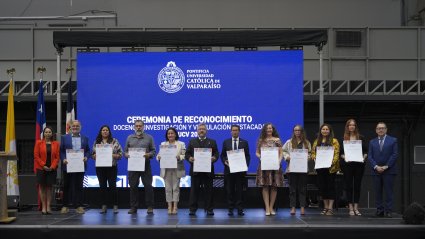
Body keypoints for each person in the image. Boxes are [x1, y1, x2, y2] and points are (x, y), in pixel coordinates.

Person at [185, 123, 219, 216]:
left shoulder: (212, 141)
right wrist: (189, 158)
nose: (201, 130)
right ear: (197, 131)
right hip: (196, 171)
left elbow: (216, 153)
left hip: (208, 171)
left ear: (206, 131)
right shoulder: (192, 141)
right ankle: (192, 209)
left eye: (203, 129)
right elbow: (187, 154)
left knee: (209, 191)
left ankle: (209, 209)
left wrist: (214, 158)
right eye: (200, 129)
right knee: (194, 191)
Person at [124, 120, 156, 214]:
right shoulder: (129, 138)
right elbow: (125, 151)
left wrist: (148, 154)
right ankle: (134, 207)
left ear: (143, 127)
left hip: (145, 165)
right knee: (133, 186)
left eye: (140, 126)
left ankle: (150, 206)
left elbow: (153, 151)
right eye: (137, 126)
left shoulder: (149, 138)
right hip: (133, 166)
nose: (138, 127)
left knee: (148, 186)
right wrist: (126, 155)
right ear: (134, 127)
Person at [60, 120, 90, 214]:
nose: (75, 127)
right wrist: (63, 159)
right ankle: (65, 206)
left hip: (80, 166)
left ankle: (79, 206)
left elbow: (88, 151)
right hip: (68, 165)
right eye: (74, 126)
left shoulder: (85, 138)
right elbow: (61, 151)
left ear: (80, 127)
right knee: (66, 186)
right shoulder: (64, 138)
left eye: (77, 126)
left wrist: (86, 157)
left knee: (79, 186)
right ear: (70, 127)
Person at [368, 122, 398, 218]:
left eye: (383, 128)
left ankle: (388, 211)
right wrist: (376, 166)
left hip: (389, 170)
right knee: (377, 192)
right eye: (379, 128)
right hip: (375, 170)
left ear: (386, 129)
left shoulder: (393, 140)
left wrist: (386, 166)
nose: (381, 130)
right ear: (376, 130)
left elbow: (395, 154)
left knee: (389, 191)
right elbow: (370, 156)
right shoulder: (372, 142)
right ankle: (379, 210)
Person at [91, 125, 123, 214]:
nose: (105, 131)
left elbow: (120, 154)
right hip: (100, 168)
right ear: (101, 132)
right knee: (102, 186)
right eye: (103, 130)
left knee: (113, 186)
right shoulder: (97, 142)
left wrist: (113, 155)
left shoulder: (114, 141)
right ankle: (104, 206)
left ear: (109, 132)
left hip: (112, 167)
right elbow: (92, 154)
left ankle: (115, 206)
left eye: (106, 130)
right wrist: (94, 156)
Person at [220, 125, 251, 216]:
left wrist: (246, 165)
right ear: (231, 132)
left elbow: (247, 156)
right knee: (229, 190)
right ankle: (230, 209)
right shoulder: (226, 142)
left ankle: (240, 209)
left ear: (239, 131)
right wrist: (225, 161)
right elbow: (222, 155)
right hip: (229, 170)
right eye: (233, 130)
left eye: (236, 130)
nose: (235, 132)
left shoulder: (244, 142)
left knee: (240, 191)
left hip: (240, 171)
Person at [311, 123, 340, 216]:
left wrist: (331, 162)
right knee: (322, 187)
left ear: (330, 131)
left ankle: (330, 207)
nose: (325, 131)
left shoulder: (334, 141)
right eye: (323, 129)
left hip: (331, 168)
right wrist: (314, 158)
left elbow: (336, 154)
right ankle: (325, 207)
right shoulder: (317, 141)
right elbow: (313, 153)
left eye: (327, 129)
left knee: (330, 187)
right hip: (320, 167)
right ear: (320, 131)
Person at [282, 125, 312, 216]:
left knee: (302, 189)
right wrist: (287, 157)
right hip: (292, 169)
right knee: (292, 189)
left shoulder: (306, 142)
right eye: (296, 130)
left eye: (299, 130)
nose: (297, 132)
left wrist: (307, 157)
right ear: (293, 132)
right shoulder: (289, 142)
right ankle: (293, 207)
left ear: (302, 131)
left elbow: (310, 153)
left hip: (303, 169)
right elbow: (283, 151)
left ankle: (302, 207)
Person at [340, 119, 368, 216]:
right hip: (348, 165)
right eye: (350, 125)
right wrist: (345, 157)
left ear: (355, 127)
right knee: (348, 186)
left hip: (359, 165)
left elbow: (366, 151)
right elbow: (341, 154)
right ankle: (350, 207)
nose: (352, 127)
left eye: (353, 125)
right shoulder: (343, 138)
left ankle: (356, 207)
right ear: (347, 127)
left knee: (357, 186)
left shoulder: (361, 138)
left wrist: (364, 158)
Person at [255, 123, 284, 216]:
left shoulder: (277, 140)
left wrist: (279, 161)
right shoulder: (261, 140)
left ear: (273, 129)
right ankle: (267, 207)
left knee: (274, 187)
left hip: (275, 166)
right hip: (264, 166)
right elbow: (257, 153)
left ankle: (272, 207)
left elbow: (281, 153)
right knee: (265, 186)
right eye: (267, 128)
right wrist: (261, 157)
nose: (269, 130)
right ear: (264, 130)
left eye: (270, 128)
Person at [156, 127, 186, 215]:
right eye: (169, 133)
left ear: (175, 134)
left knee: (176, 188)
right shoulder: (163, 144)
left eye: (172, 133)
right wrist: (159, 157)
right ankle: (169, 206)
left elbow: (184, 155)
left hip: (177, 169)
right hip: (166, 169)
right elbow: (158, 156)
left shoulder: (181, 144)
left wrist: (179, 157)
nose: (170, 135)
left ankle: (175, 207)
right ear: (167, 135)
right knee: (168, 189)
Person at [34, 126, 60, 215]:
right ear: (43, 133)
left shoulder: (56, 143)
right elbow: (36, 156)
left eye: (49, 132)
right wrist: (43, 165)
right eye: (46, 132)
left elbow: (57, 157)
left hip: (51, 169)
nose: (48, 134)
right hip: (41, 168)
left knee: (49, 188)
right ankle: (43, 206)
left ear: (52, 134)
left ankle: (48, 206)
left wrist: (52, 166)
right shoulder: (38, 143)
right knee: (42, 187)